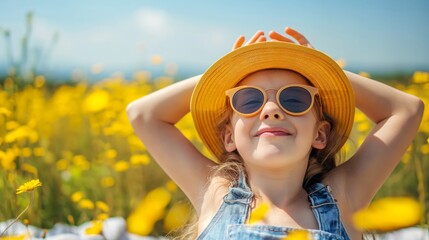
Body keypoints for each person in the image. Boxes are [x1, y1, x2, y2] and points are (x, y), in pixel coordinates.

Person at [126, 27, 424, 239]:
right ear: (229, 137)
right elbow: (143, 114)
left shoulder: (344, 195)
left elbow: (407, 110)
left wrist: (323, 67)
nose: (270, 109)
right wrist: (223, 71)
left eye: (294, 98)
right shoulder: (216, 193)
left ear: (320, 134)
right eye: (249, 100)